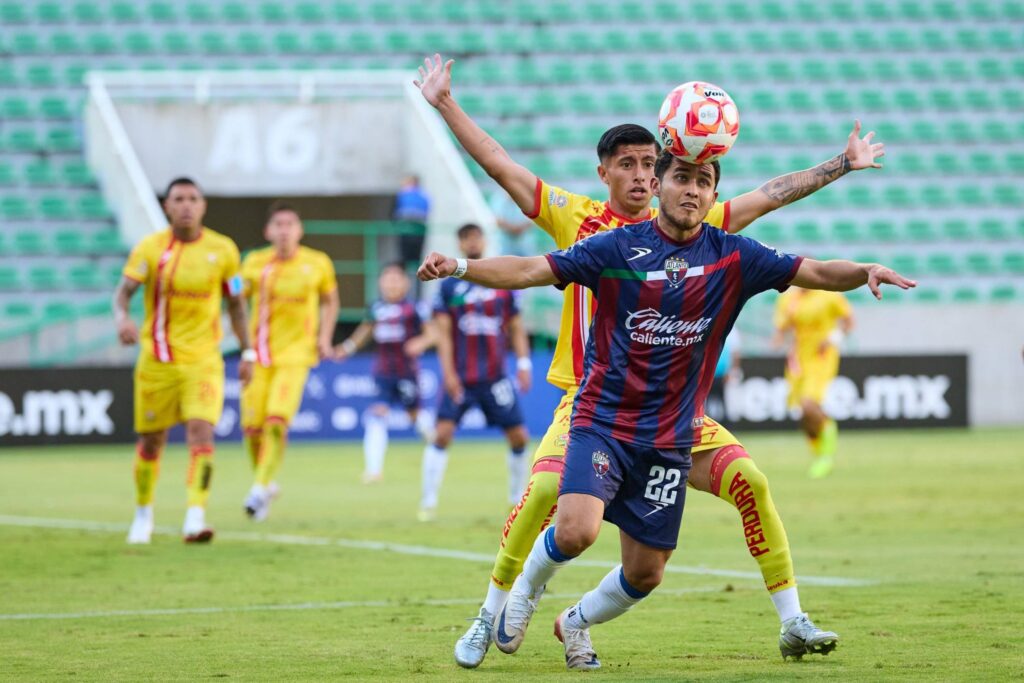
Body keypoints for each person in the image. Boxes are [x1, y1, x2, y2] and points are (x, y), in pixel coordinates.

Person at [413, 54, 887, 668]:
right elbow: (503, 172)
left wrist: (841, 165)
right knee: (552, 499)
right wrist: (446, 107)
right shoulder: (585, 225)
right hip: (593, 401)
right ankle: (493, 611)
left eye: (649, 164)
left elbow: (771, 196)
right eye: (630, 165)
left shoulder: (707, 226)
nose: (642, 176)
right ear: (608, 172)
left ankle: (790, 618)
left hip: (674, 414)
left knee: (735, 494)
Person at [115, 177, 253, 544]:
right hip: (157, 360)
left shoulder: (223, 250)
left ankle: (195, 515)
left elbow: (237, 304)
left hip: (204, 360)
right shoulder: (150, 249)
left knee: (201, 431)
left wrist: (248, 351)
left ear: (203, 205)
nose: (186, 205)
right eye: (179, 199)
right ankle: (143, 513)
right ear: (167, 206)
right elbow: (123, 294)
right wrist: (122, 319)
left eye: (193, 198)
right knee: (151, 442)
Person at [420, 223, 533, 521]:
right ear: (460, 245)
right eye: (466, 239)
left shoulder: (501, 280)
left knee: (519, 437)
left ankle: (516, 499)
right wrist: (448, 374)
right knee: (442, 434)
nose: (472, 243)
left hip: (495, 377)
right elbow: (443, 335)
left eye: (476, 237)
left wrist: (524, 364)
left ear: (484, 241)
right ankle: (428, 501)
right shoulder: (448, 286)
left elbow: (516, 327)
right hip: (462, 376)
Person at [239, 202, 339, 520]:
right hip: (259, 356)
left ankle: (258, 488)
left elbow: (331, 301)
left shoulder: (317, 263)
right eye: (278, 225)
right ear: (268, 231)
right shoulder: (254, 263)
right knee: (252, 429)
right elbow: (236, 299)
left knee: (276, 422)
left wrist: (324, 337)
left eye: (290, 224)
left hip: (296, 355)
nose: (284, 230)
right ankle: (266, 483)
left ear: (300, 230)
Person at [335, 263, 434, 483]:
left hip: (407, 372)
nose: (392, 284)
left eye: (396, 279)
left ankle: (435, 445)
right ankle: (373, 470)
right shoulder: (376, 308)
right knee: (377, 414)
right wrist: (347, 348)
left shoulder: (415, 308)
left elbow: (432, 333)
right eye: (388, 279)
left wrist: (421, 342)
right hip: (383, 372)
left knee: (415, 415)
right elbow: (365, 331)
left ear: (406, 283)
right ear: (380, 283)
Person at [772, 288, 854, 478]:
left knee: (809, 404)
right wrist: (778, 339)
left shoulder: (829, 295)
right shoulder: (788, 299)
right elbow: (782, 328)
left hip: (821, 357)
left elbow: (848, 322)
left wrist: (833, 338)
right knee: (803, 414)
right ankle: (819, 456)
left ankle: (826, 456)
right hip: (798, 361)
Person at [393, 174, 431, 267]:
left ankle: (407, 273)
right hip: (419, 229)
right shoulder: (424, 195)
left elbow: (395, 212)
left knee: (405, 256)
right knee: (416, 257)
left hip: (407, 228)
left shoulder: (403, 195)